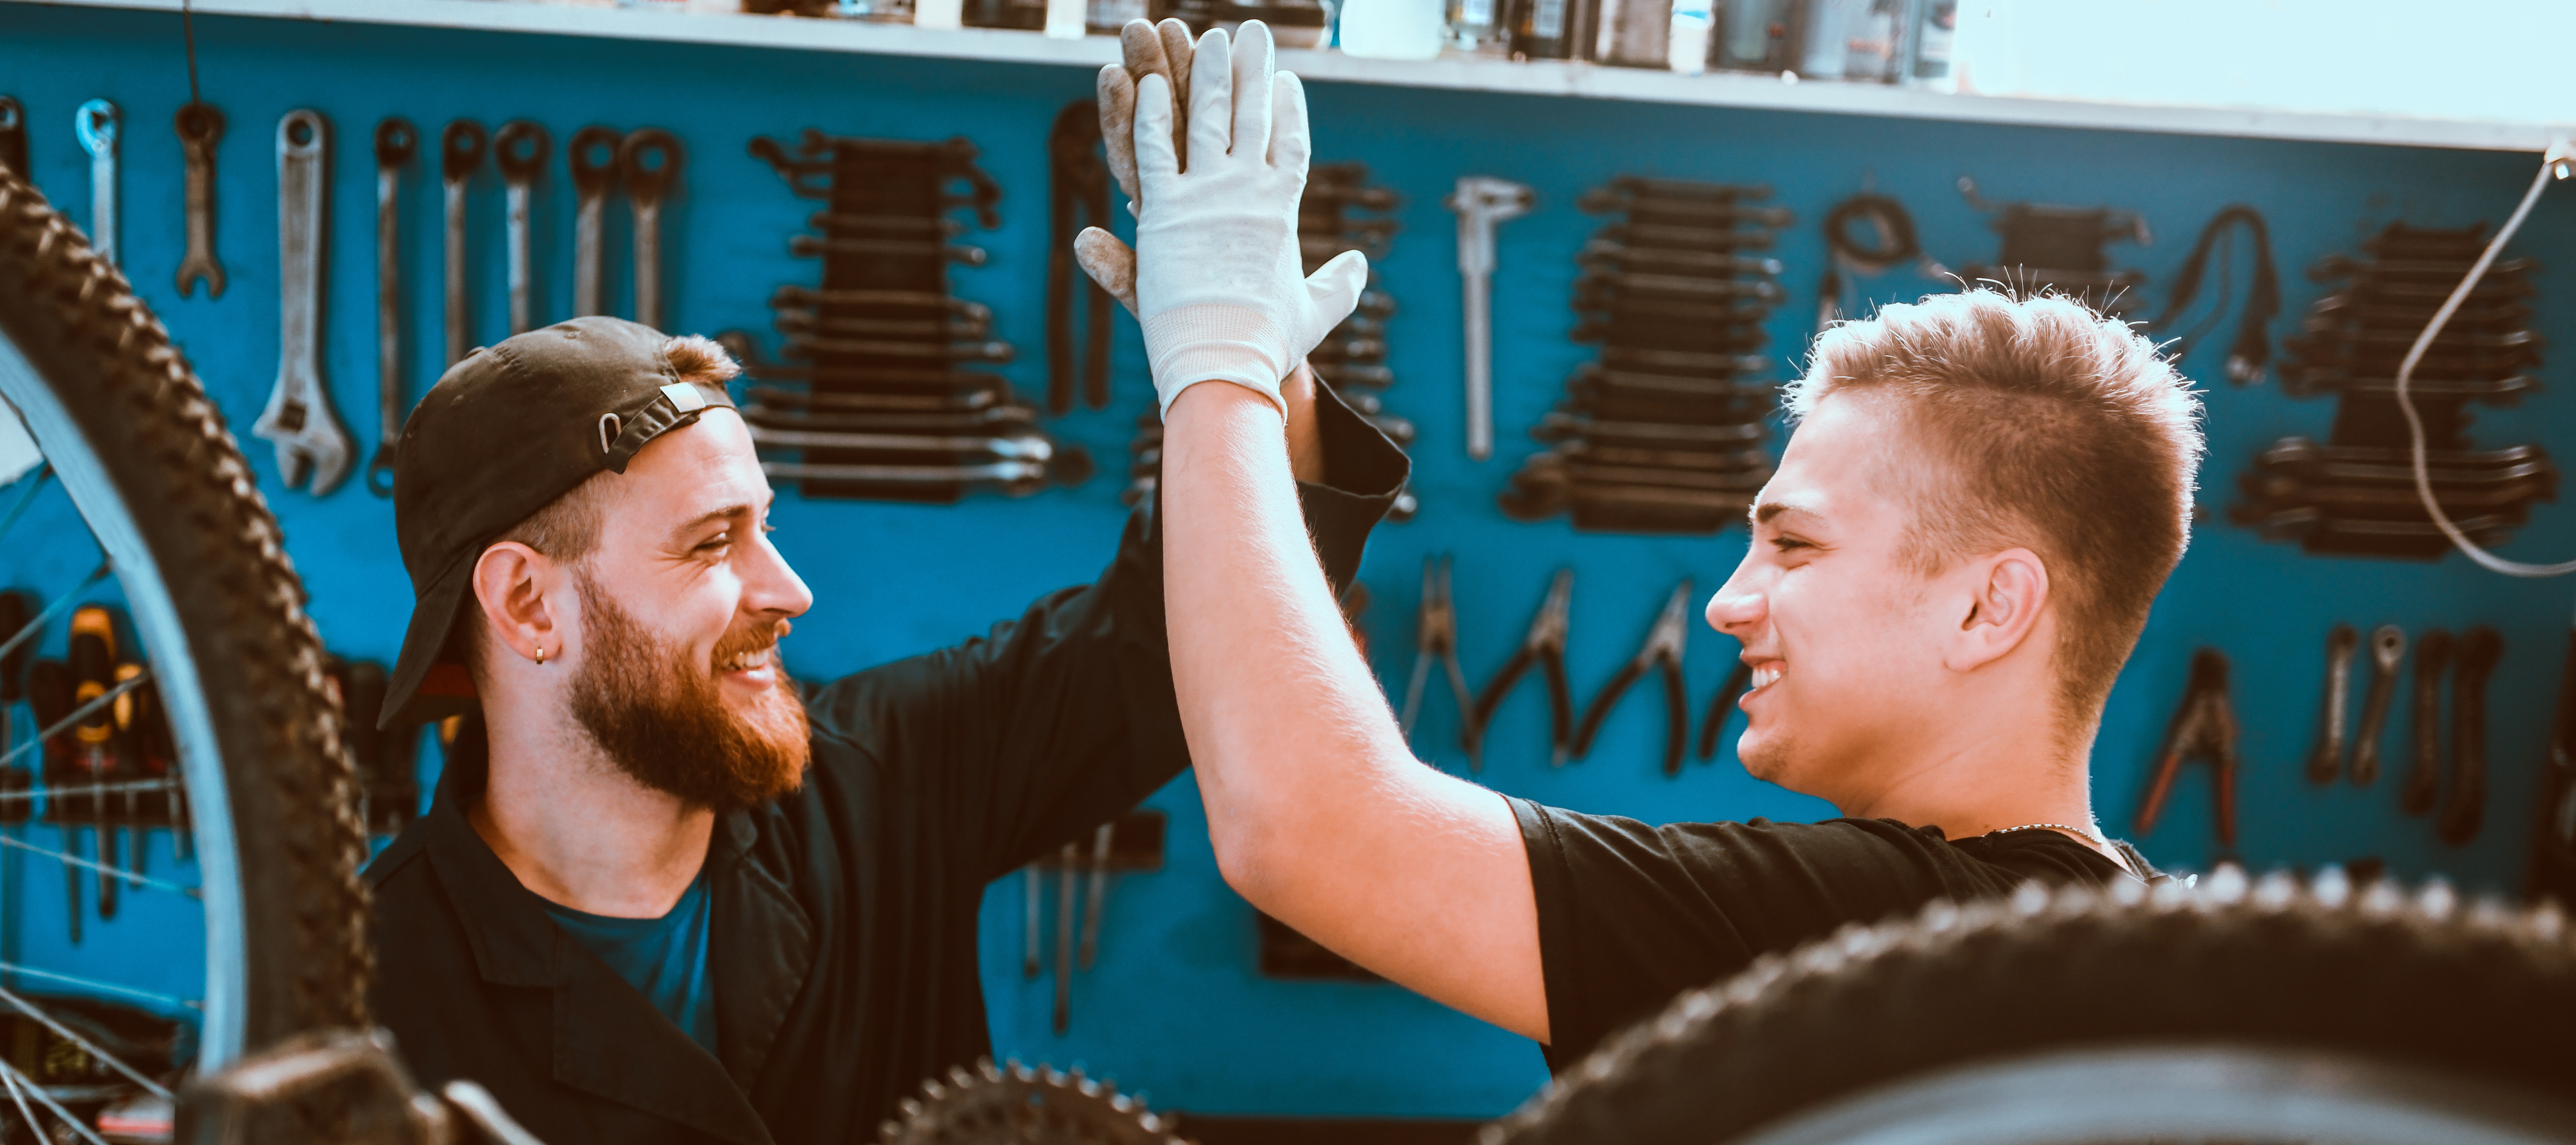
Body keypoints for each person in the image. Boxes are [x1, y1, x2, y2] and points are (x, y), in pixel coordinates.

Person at [1078, 22, 2190, 1075]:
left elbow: (1307, 826)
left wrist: (1213, 356)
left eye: (1794, 547)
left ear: (1990, 608)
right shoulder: (2134, 941)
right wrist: (1271, 378)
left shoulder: (1891, 939)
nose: (1726, 603)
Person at [359, 316, 1407, 1144]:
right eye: (711, 543)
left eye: (765, 526)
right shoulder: (358, 984)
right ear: (530, 605)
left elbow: (1172, 642)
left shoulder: (882, 778)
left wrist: (1256, 352)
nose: (790, 589)